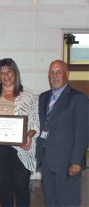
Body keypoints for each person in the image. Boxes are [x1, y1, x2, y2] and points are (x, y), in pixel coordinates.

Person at [0, 58, 39, 207]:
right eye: (2, 72)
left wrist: (29, 137)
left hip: (22, 149)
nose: (6, 75)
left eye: (9, 71)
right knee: (4, 187)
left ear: (15, 73)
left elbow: (35, 123)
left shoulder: (30, 96)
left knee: (21, 187)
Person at [36, 60, 88, 206]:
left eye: (59, 72)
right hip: (46, 161)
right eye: (51, 72)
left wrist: (76, 161)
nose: (55, 76)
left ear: (67, 74)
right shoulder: (43, 97)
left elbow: (82, 133)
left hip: (68, 163)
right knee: (51, 202)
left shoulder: (79, 98)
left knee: (68, 202)